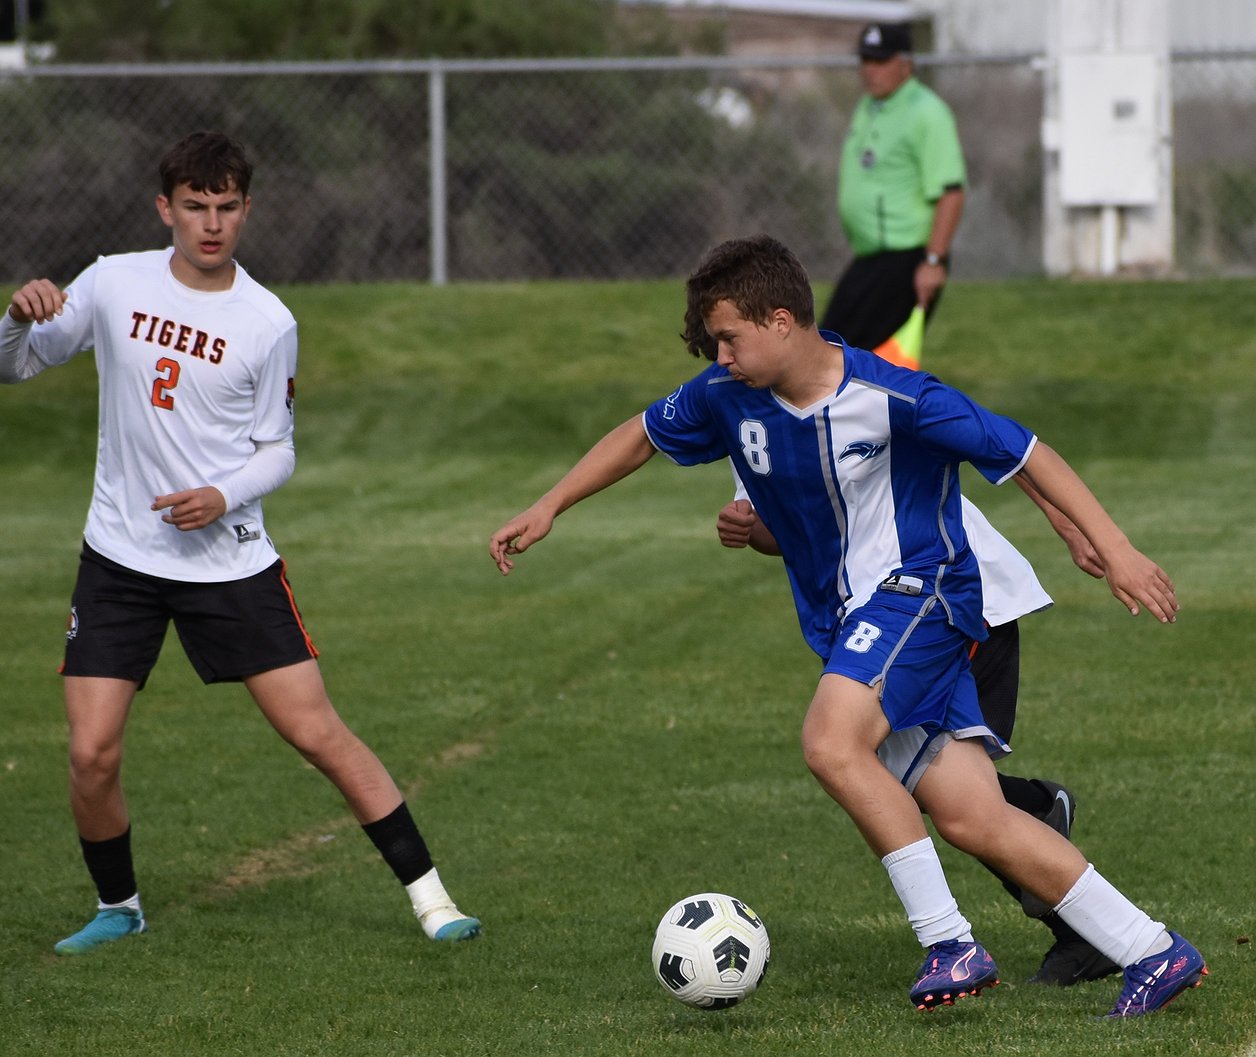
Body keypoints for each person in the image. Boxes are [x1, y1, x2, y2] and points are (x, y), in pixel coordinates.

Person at [488, 235, 1206, 1017]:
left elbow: (1026, 450)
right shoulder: (727, 395)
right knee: (972, 816)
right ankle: (1153, 949)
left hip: (923, 591)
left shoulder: (895, 396)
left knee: (830, 742)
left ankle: (950, 941)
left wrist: (1115, 548)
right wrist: (549, 505)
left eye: (729, 337)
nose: (720, 356)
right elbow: (640, 433)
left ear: (782, 319)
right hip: (851, 618)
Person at [0, 131, 480, 955]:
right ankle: (119, 907)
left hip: (230, 564)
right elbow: (9, 369)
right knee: (91, 752)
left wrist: (221, 495)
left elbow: (277, 450)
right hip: (119, 560)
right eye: (195, 206)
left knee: (318, 734)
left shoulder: (267, 320)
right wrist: (13, 319)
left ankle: (435, 902)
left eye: (226, 207)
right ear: (165, 209)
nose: (211, 224)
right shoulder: (113, 281)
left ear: (246, 210)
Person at [718, 478, 1120, 986]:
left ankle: (1087, 928)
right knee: (917, 787)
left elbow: (1004, 447)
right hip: (882, 617)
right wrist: (753, 529)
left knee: (930, 788)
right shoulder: (749, 428)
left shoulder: (868, 415)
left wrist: (1072, 523)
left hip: (952, 603)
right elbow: (802, 524)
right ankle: (1046, 840)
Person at [820, 21, 965, 353]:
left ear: (906, 64)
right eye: (865, 59)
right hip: (870, 259)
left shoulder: (927, 112)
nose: (870, 69)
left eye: (881, 60)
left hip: (907, 258)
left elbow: (951, 192)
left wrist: (933, 261)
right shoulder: (868, 106)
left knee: (846, 356)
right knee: (831, 348)